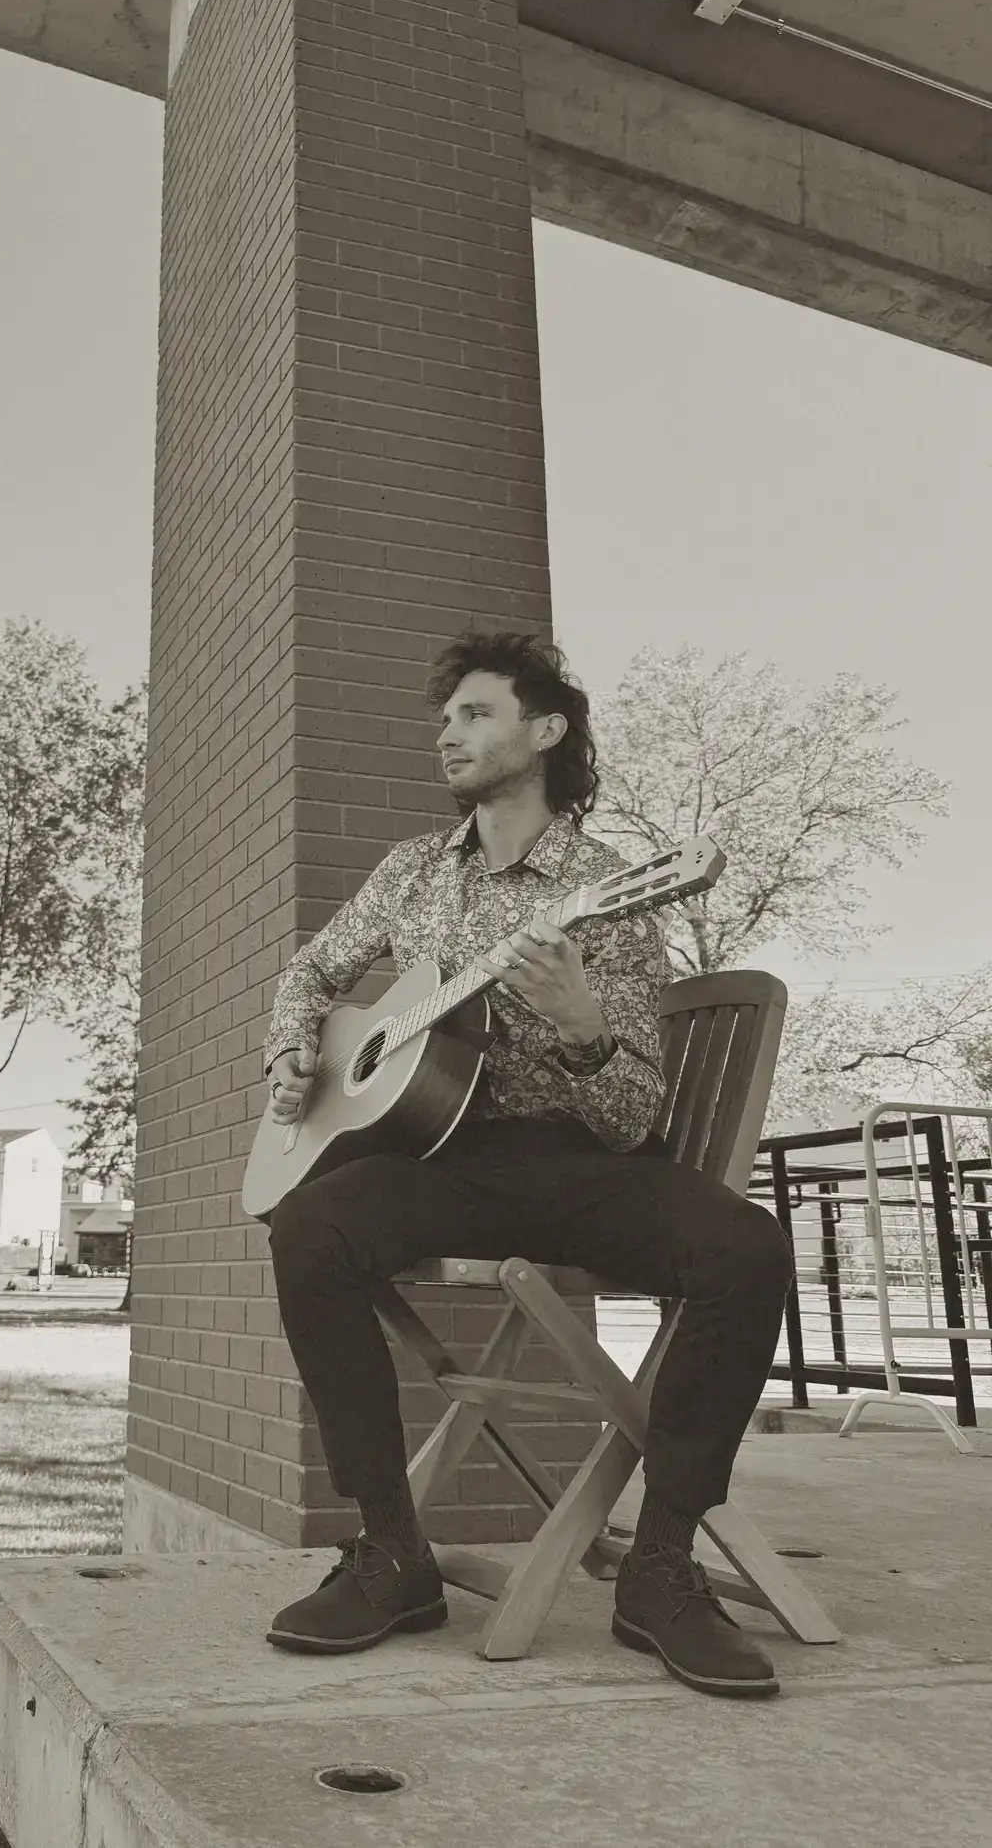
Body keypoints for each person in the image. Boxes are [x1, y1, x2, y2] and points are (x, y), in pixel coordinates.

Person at [260, 631, 794, 1699]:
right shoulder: (410, 871)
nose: (446, 733)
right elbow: (311, 969)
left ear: (544, 732)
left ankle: (661, 1568)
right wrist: (291, 1053)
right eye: (444, 717)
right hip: (441, 1155)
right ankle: (391, 1557)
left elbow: (631, 1111)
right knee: (309, 1225)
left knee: (745, 1247)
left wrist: (587, 1027)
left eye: (473, 714)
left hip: (579, 1164)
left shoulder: (610, 889)